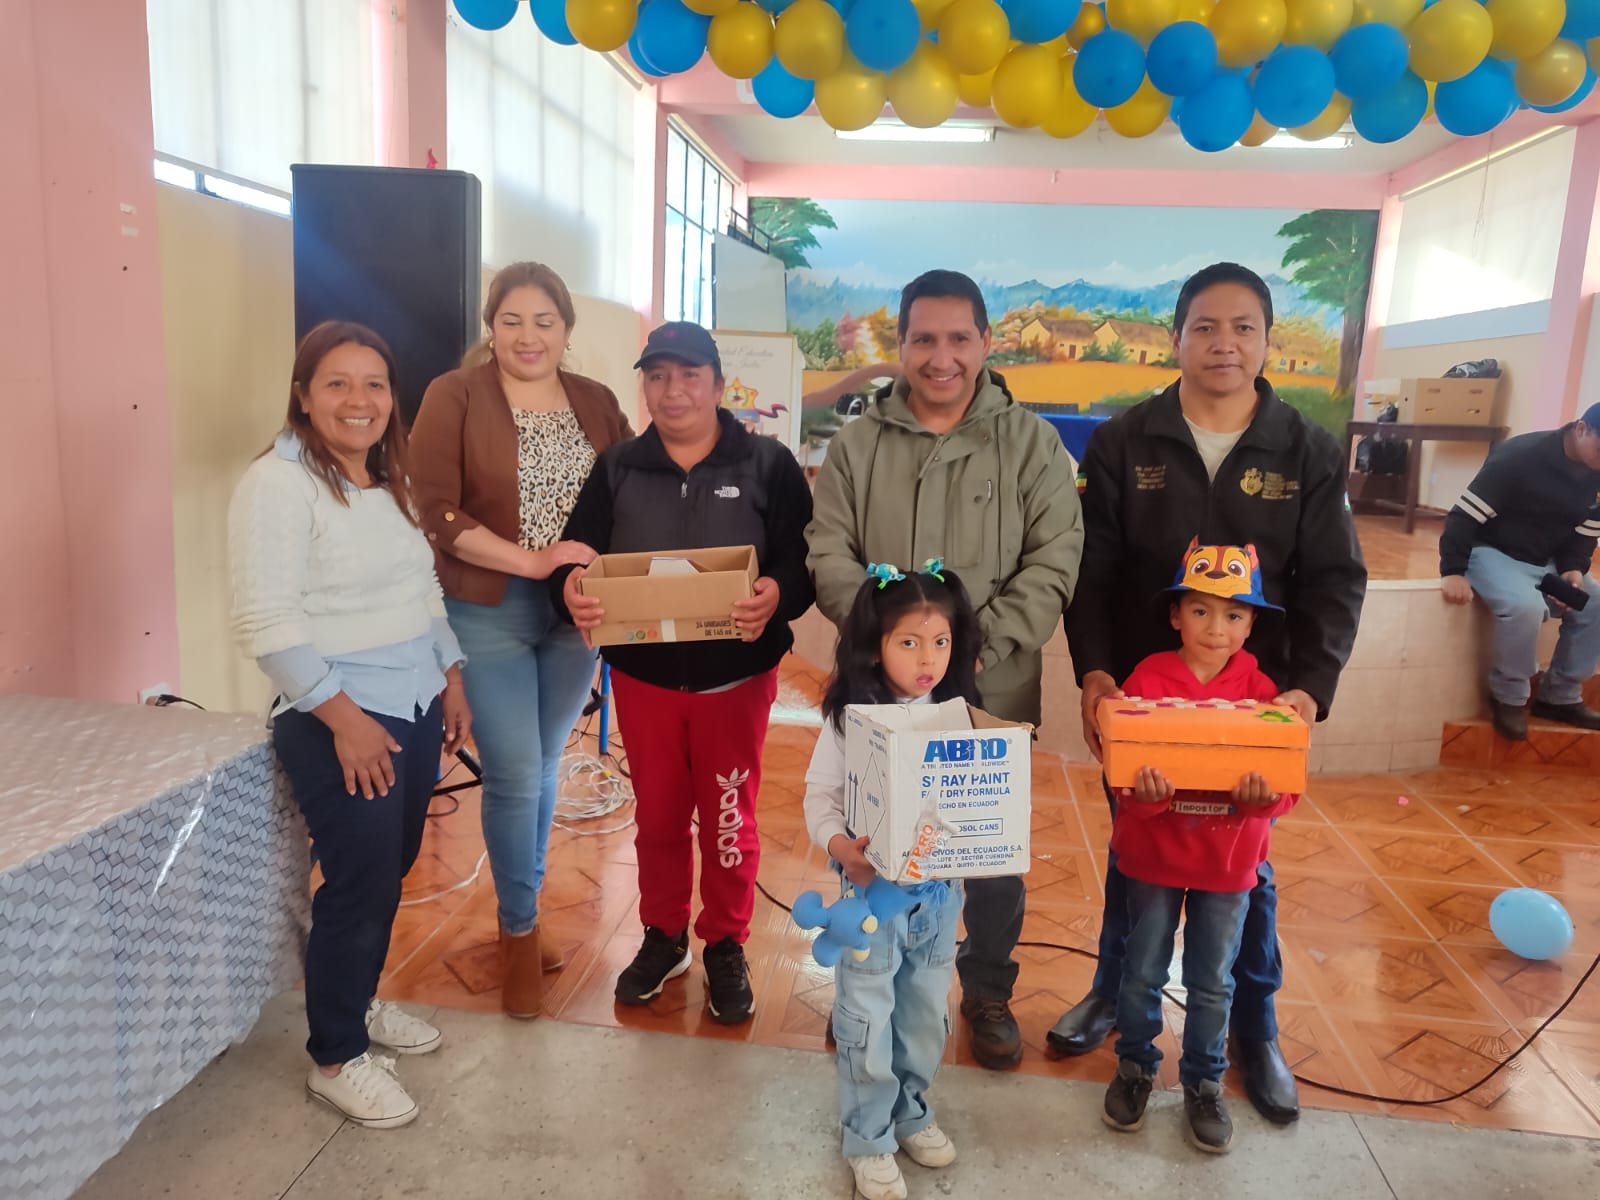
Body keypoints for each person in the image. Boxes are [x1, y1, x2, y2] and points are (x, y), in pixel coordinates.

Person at [1050, 263, 1366, 1127]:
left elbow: (1336, 577)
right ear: (1176, 337)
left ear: (1267, 341)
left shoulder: (1304, 448)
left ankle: (1254, 1029)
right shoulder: (1127, 440)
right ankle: (1113, 992)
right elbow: (1094, 569)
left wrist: (1309, 690)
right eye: (1205, 326)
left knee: (1244, 867)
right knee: (1137, 850)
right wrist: (1096, 672)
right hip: (1148, 701)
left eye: (1243, 327)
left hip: (1253, 705)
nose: (1224, 343)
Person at [807, 268, 1083, 1070]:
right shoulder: (859, 444)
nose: (941, 357)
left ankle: (987, 988)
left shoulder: (1029, 443)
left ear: (987, 343)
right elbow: (829, 548)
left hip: (991, 689)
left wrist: (972, 649)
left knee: (987, 853)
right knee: (874, 840)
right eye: (923, 339)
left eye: (959, 338)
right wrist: (882, 644)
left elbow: (1056, 556)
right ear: (901, 344)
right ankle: (867, 980)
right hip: (877, 698)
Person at [228, 321, 472, 1129]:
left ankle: (357, 1002)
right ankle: (335, 1056)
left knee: (388, 868)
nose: (358, 400)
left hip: (415, 700)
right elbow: (266, 623)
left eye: (374, 384)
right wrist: (345, 720)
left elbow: (422, 591)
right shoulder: (277, 484)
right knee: (358, 884)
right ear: (304, 395)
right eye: (337, 383)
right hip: (338, 714)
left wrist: (451, 676)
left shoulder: (387, 479)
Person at [553, 320, 815, 1025]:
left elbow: (800, 563)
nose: (673, 391)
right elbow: (577, 555)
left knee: (729, 817)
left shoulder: (767, 464)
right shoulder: (618, 468)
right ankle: (663, 935)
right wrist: (569, 589)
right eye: (658, 376)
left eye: (689, 375)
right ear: (644, 386)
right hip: (645, 681)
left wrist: (777, 595)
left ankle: (725, 942)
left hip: (736, 679)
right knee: (660, 817)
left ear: (718, 385)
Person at [409, 262, 632, 1018]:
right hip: (489, 607)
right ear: (491, 327)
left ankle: (525, 914)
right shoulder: (455, 394)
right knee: (511, 772)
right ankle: (517, 932)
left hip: (577, 615)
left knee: (541, 765)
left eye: (544, 322)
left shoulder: (596, 401)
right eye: (512, 321)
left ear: (566, 330)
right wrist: (532, 561)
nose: (528, 336)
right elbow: (434, 508)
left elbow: (629, 494)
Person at [1099, 540, 1300, 1156]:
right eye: (1201, 611)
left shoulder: (1264, 694)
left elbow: (1286, 786)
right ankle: (1135, 1064)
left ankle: (1204, 1082)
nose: (1217, 629)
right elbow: (1122, 770)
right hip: (1153, 855)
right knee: (1143, 967)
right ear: (1175, 615)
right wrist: (1145, 798)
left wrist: (1262, 800)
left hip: (1229, 861)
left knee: (1213, 980)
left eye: (1234, 614)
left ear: (1252, 623)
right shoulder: (1146, 679)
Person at [802, 562, 981, 1200]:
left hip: (939, 899)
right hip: (870, 901)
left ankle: (910, 1111)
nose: (927, 659)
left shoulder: (958, 717)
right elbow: (819, 798)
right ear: (875, 646)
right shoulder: (850, 718)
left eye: (941, 642)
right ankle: (869, 1135)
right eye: (909, 642)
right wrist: (841, 848)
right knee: (866, 1018)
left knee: (926, 1015)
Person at [1439, 401, 1600, 741]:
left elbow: (1584, 535)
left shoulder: (1595, 472)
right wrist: (1452, 570)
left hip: (1546, 562)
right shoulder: (1520, 456)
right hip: (1492, 552)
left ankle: (1559, 696)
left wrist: (1573, 569)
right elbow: (1462, 517)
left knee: (1595, 603)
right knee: (1525, 607)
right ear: (1581, 429)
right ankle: (1509, 697)